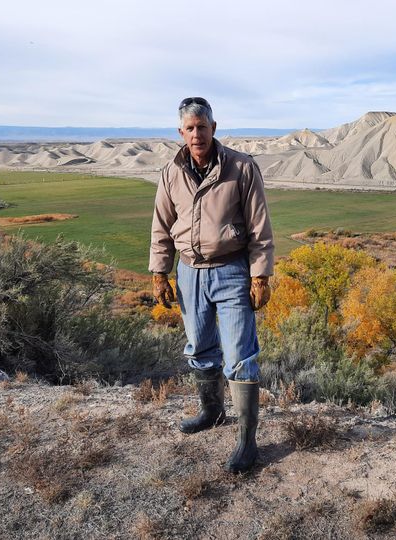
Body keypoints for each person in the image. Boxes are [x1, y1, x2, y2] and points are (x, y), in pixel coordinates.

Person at [149, 97, 274, 473]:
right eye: (189, 128)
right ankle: (212, 412)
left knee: (240, 356)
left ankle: (247, 443)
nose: (196, 134)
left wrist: (261, 275)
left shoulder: (241, 167)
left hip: (231, 270)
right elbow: (161, 225)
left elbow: (259, 227)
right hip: (189, 272)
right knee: (200, 347)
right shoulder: (172, 172)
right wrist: (159, 272)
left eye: (202, 127)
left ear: (214, 128)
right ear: (180, 133)